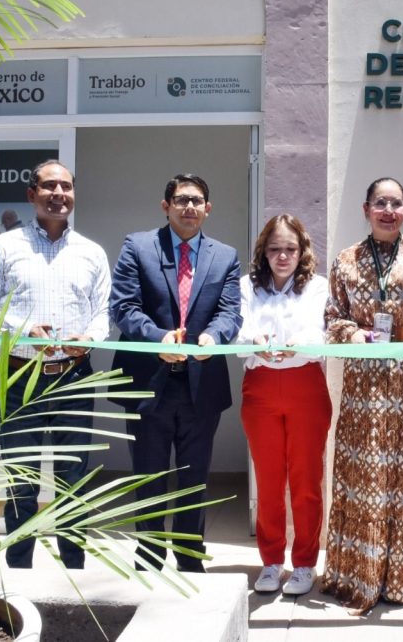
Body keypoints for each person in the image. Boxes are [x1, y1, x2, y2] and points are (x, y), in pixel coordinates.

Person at [321, 177, 403, 612]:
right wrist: (353, 334)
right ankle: (361, 576)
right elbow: (332, 317)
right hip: (365, 390)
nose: (388, 211)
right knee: (368, 477)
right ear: (366, 209)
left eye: (396, 203)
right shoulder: (346, 260)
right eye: (380, 203)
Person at [0, 159, 111, 569]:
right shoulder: (5, 248)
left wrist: (89, 339)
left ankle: (75, 571)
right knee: (21, 481)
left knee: (74, 481)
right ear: (32, 194)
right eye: (50, 186)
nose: (59, 194)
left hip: (74, 378)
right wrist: (22, 329)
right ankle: (19, 572)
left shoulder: (91, 252)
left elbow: (103, 312)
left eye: (66, 187)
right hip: (20, 375)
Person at [110, 173, 242, 573]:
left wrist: (215, 336)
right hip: (148, 383)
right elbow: (124, 307)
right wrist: (158, 338)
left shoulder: (225, 256)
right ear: (166, 206)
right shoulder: (138, 246)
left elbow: (230, 311)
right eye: (182, 199)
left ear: (208, 208)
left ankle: (189, 557)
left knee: (194, 477)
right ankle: (149, 557)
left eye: (197, 200)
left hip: (202, 385)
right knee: (147, 476)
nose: (189, 207)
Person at [237, 214, 332, 596]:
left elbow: (318, 333)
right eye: (275, 248)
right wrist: (254, 340)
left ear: (302, 251)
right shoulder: (247, 285)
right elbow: (238, 331)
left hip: (304, 384)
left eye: (290, 249)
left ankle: (305, 563)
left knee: (306, 480)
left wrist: (298, 343)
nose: (282, 256)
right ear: (264, 251)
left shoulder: (317, 286)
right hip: (260, 386)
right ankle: (271, 560)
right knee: (269, 480)